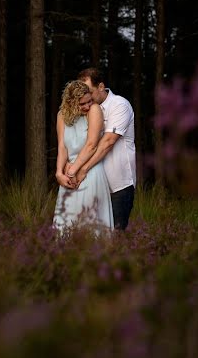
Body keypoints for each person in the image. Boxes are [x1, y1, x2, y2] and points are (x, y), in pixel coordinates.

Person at [66, 68, 136, 230]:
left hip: (118, 185)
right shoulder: (85, 110)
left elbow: (108, 142)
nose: (86, 97)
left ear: (101, 86)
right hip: (93, 185)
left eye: (89, 91)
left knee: (114, 239)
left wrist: (82, 169)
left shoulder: (120, 104)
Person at [52, 80, 114, 234]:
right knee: (66, 226)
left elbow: (92, 145)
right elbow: (62, 146)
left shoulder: (94, 110)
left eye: (89, 101)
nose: (87, 106)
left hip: (89, 173)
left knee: (90, 227)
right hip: (69, 178)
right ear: (71, 103)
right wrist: (59, 173)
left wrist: (73, 170)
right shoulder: (61, 115)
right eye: (82, 104)